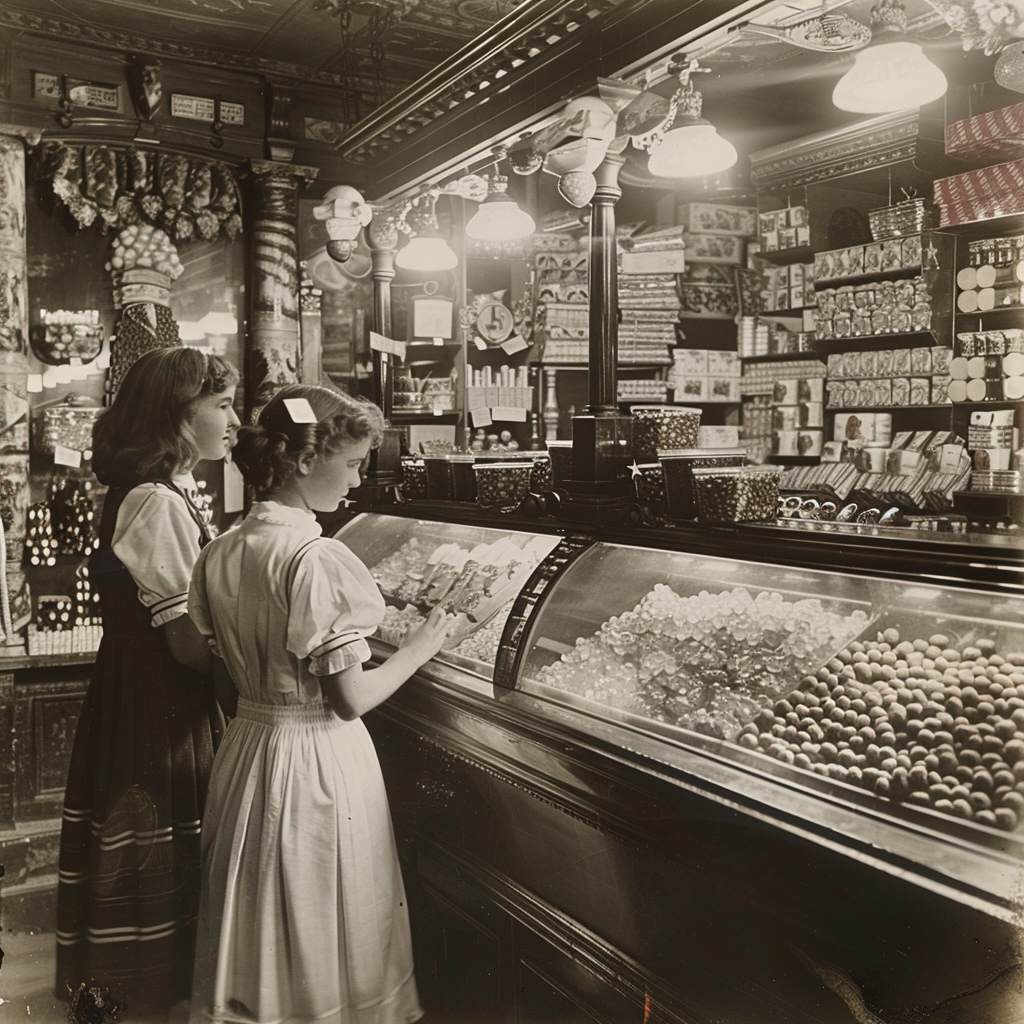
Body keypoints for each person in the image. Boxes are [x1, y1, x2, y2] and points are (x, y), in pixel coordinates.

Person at [188, 383, 452, 1024]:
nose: (358, 482)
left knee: (259, 917)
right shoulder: (316, 557)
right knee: (321, 911)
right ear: (306, 462)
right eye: (355, 463)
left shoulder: (222, 549)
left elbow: (223, 685)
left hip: (247, 753)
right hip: (316, 763)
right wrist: (419, 648)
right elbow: (349, 699)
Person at [56, 346, 240, 1016]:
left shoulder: (159, 493)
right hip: (160, 700)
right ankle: (149, 996)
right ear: (178, 414)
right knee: (159, 845)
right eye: (221, 406)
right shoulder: (156, 503)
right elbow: (188, 644)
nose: (234, 420)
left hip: (137, 692)